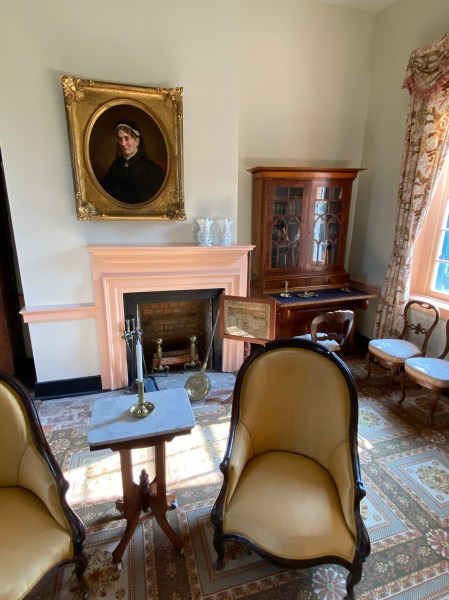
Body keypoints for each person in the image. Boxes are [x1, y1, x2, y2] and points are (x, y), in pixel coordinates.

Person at [100, 120, 165, 204]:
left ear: (137, 141)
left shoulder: (152, 169)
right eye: (120, 139)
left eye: (127, 138)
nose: (123, 144)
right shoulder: (116, 164)